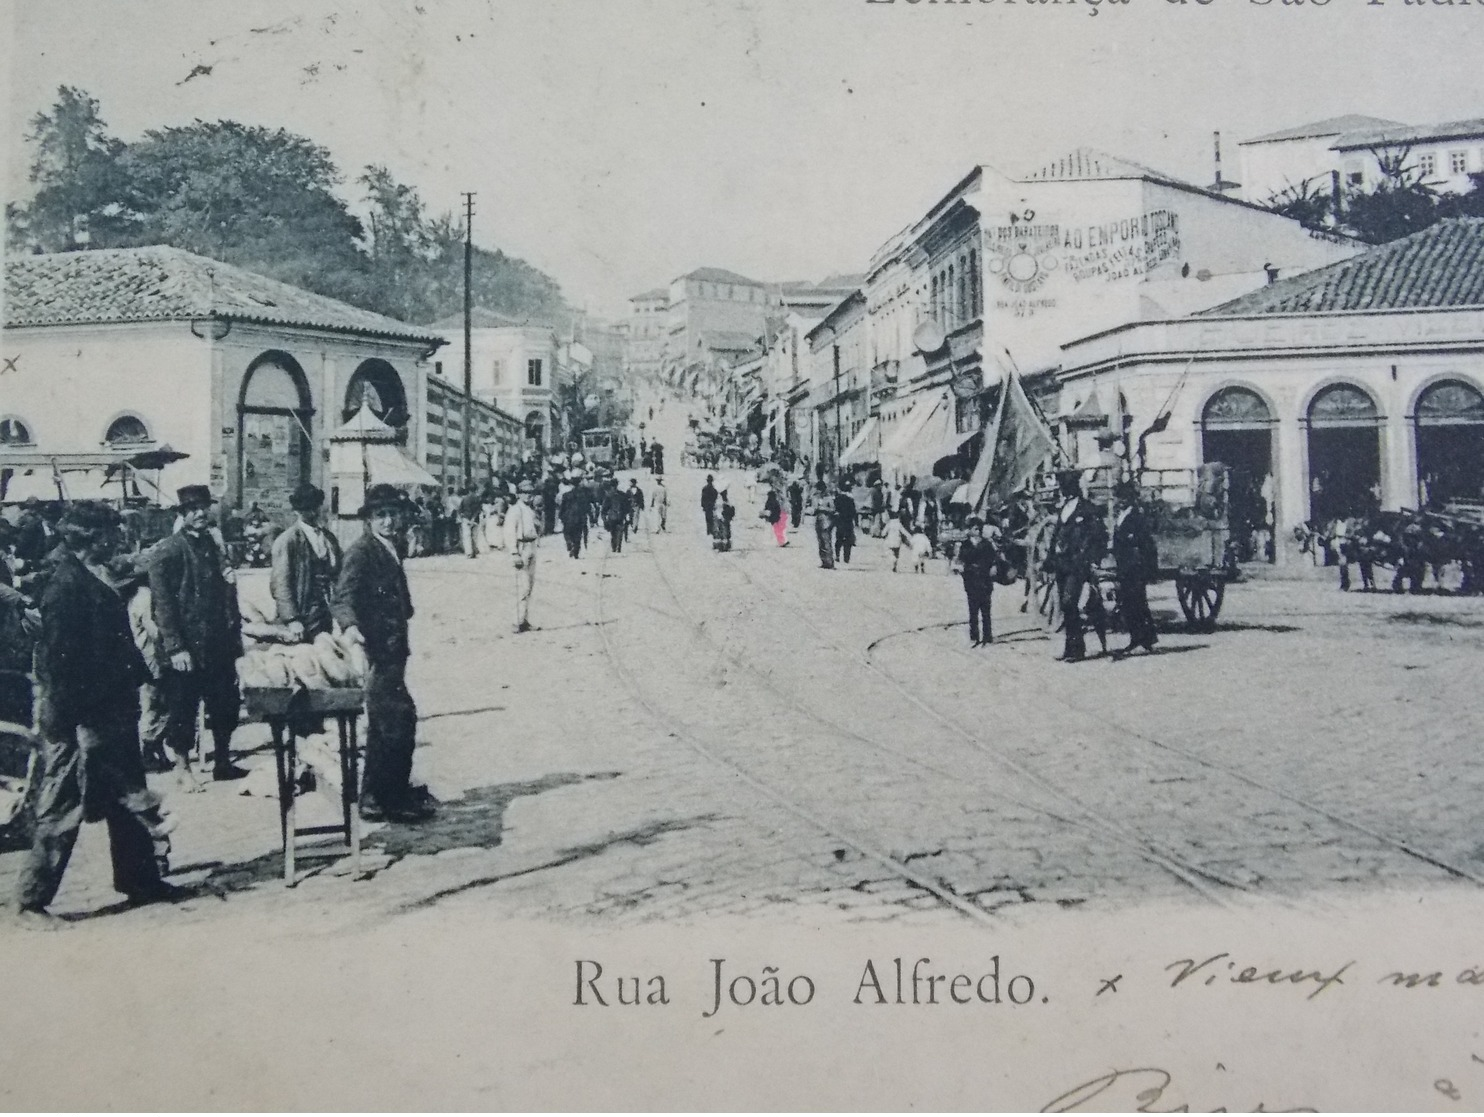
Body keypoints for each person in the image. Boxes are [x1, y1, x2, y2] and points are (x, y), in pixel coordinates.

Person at [16, 502, 181, 926]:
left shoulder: (96, 572)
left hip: (111, 707)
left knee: (129, 796)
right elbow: (58, 665)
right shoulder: (66, 585)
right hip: (77, 716)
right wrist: (76, 725)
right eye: (112, 533)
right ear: (93, 538)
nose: (119, 540)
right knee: (63, 805)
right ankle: (30, 902)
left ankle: (140, 881)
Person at [331, 485, 431, 824]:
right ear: (369, 520)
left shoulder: (392, 546)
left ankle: (378, 796)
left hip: (393, 648)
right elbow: (342, 597)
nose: (388, 521)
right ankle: (387, 798)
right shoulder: (361, 551)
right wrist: (351, 628)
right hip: (377, 652)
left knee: (388, 723)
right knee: (396, 723)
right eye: (380, 516)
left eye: (392, 514)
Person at [149, 485, 246, 784]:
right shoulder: (168, 550)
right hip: (186, 647)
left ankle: (222, 761)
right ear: (182, 515)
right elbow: (162, 604)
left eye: (204, 508)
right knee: (182, 708)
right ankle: (183, 769)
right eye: (192, 510)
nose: (200, 514)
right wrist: (176, 647)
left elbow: (227, 594)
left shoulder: (213, 545)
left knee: (225, 704)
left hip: (217, 643)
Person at [1045, 468, 1106, 663]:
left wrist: (1090, 559)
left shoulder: (1087, 509)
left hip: (1077, 565)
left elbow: (1099, 536)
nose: (1064, 490)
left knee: (1069, 602)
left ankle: (1078, 649)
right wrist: (1049, 559)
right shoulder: (1063, 509)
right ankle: (1070, 648)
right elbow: (1056, 536)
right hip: (1062, 564)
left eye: (1067, 486)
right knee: (1065, 606)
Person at [270, 483, 342, 642]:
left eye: (314, 506)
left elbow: (337, 572)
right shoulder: (288, 540)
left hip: (325, 610)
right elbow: (281, 583)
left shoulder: (329, 538)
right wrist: (292, 619)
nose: (312, 511)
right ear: (297, 511)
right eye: (305, 508)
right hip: (302, 611)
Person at [1111, 480, 1159, 655]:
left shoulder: (1136, 516)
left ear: (1130, 499)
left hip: (1135, 565)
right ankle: (1142, 638)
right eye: (1119, 498)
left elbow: (1146, 543)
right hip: (1125, 564)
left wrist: (1147, 567)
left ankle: (1142, 639)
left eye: (1124, 498)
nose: (1121, 501)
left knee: (1136, 601)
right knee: (1132, 602)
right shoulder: (1121, 515)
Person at [954, 514, 1000, 646]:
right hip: (971, 578)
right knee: (973, 609)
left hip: (985, 579)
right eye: (975, 528)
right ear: (970, 530)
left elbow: (994, 558)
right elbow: (961, 560)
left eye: (979, 528)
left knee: (986, 609)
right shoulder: (965, 545)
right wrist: (960, 567)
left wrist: (994, 567)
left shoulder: (987, 544)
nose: (978, 531)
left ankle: (987, 636)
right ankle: (974, 636)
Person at [504, 481, 540, 632]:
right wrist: (514, 553)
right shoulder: (515, 510)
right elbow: (509, 532)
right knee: (522, 586)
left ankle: (524, 620)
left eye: (530, 492)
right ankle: (516, 621)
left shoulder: (530, 510)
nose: (528, 495)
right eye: (525, 492)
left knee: (529, 586)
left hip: (531, 545)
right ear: (518, 494)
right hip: (521, 547)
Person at [559, 472, 588, 559]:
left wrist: (561, 516)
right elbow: (586, 507)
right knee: (578, 534)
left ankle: (569, 542)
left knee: (567, 532)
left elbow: (562, 507)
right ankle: (576, 551)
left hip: (568, 516)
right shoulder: (583, 495)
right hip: (579, 517)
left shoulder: (566, 495)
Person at [809, 482, 835, 569]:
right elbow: (813, 509)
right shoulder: (815, 498)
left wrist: (823, 508)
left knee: (827, 542)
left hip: (826, 521)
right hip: (818, 521)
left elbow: (833, 509)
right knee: (820, 542)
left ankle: (830, 562)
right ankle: (824, 561)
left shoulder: (828, 499)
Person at [602, 480, 629, 554]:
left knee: (613, 533)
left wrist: (604, 518)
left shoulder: (608, 495)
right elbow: (627, 506)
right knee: (619, 531)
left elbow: (604, 508)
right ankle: (618, 546)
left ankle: (614, 546)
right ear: (617, 485)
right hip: (620, 516)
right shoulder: (622, 494)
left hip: (612, 517)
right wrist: (626, 515)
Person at [834, 483, 858, 564]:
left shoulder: (837, 499)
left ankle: (837, 555)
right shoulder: (850, 500)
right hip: (848, 522)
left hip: (840, 521)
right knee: (848, 540)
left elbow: (834, 511)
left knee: (839, 539)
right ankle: (846, 558)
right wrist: (856, 522)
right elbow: (854, 512)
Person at [457, 486, 482, 558]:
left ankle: (468, 552)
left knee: (466, 536)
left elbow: (459, 510)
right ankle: (474, 551)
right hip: (475, 519)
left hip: (466, 518)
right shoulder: (478, 499)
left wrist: (462, 516)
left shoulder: (464, 499)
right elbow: (478, 510)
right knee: (474, 536)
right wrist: (473, 518)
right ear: (476, 490)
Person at [713, 485, 735, 552]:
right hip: (724, 518)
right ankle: (725, 544)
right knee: (725, 531)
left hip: (718, 516)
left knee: (719, 530)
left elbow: (714, 508)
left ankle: (719, 544)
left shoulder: (717, 501)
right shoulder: (726, 502)